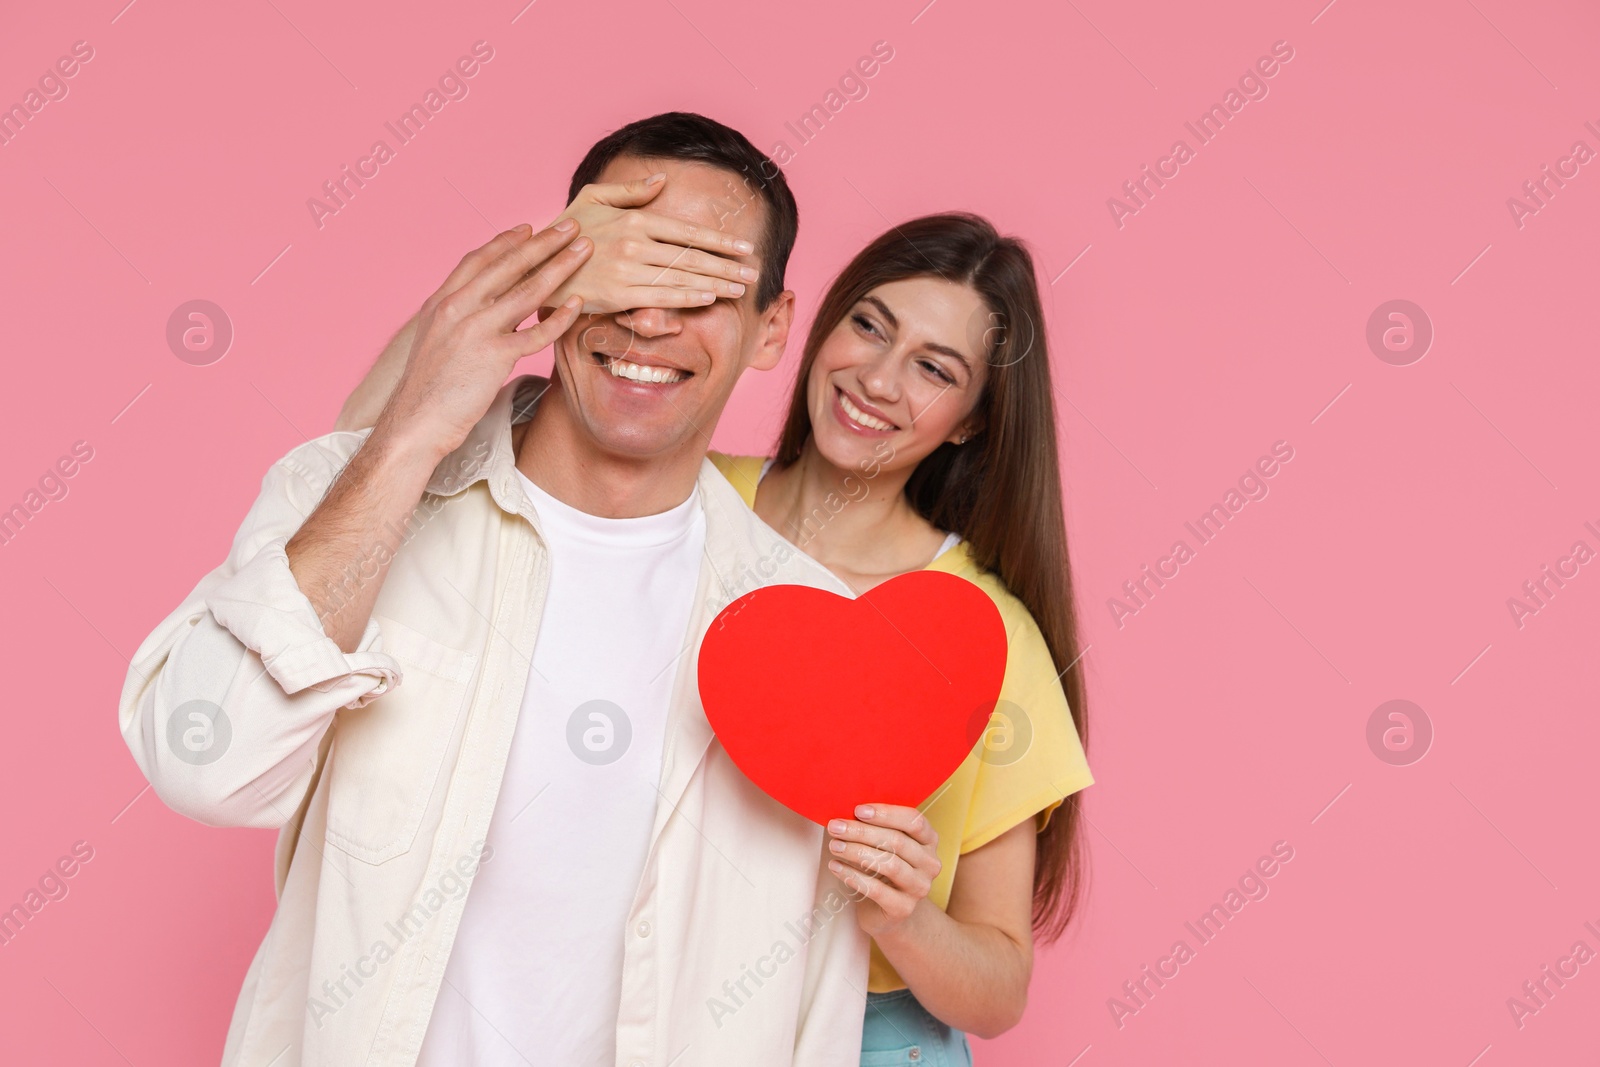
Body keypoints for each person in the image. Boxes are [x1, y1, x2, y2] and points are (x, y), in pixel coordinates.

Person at [118, 112, 872, 1067]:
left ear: (773, 330)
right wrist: (413, 428)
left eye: (699, 286)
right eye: (628, 271)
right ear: (555, 281)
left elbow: (813, 999)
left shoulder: (809, 632)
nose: (648, 320)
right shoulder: (350, 494)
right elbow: (203, 767)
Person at [342, 211, 1095, 1066]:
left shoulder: (982, 634)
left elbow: (999, 992)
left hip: (870, 1038)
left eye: (932, 368)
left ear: (970, 421)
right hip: (622, 997)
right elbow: (365, 466)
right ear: (806, 326)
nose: (880, 380)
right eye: (868, 326)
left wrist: (902, 914)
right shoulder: (668, 497)